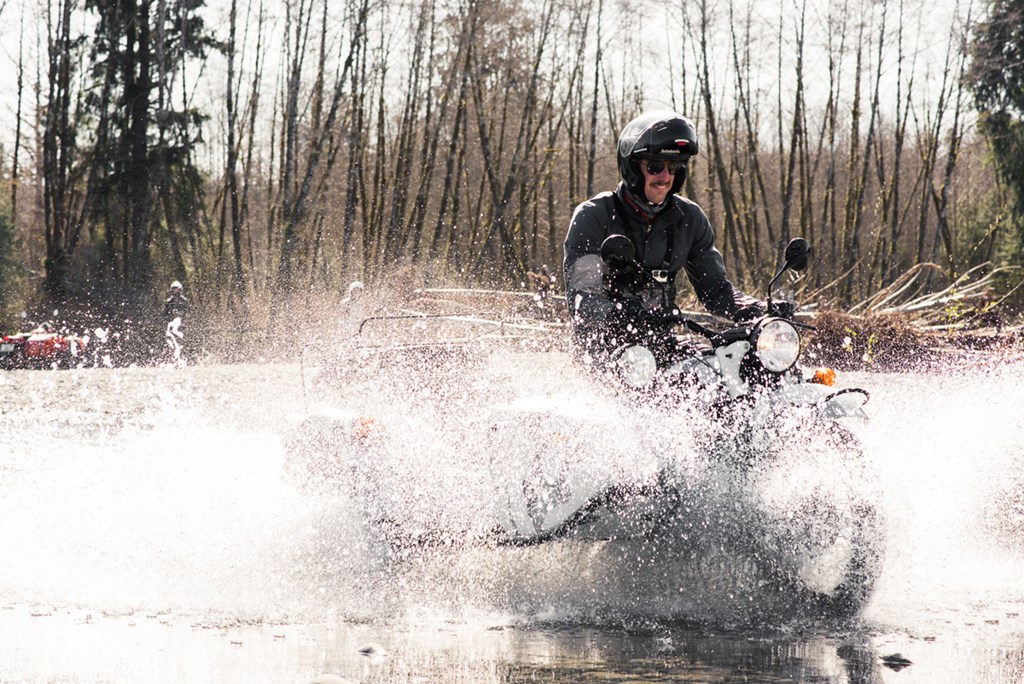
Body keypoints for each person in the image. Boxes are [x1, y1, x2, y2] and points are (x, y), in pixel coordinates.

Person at [563, 110, 764, 365]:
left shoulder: (689, 218)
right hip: (604, 347)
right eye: (655, 167)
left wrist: (760, 310)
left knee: (717, 371)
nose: (665, 178)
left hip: (663, 340)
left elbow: (715, 291)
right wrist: (620, 314)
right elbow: (583, 299)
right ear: (633, 168)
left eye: (674, 168)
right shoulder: (594, 216)